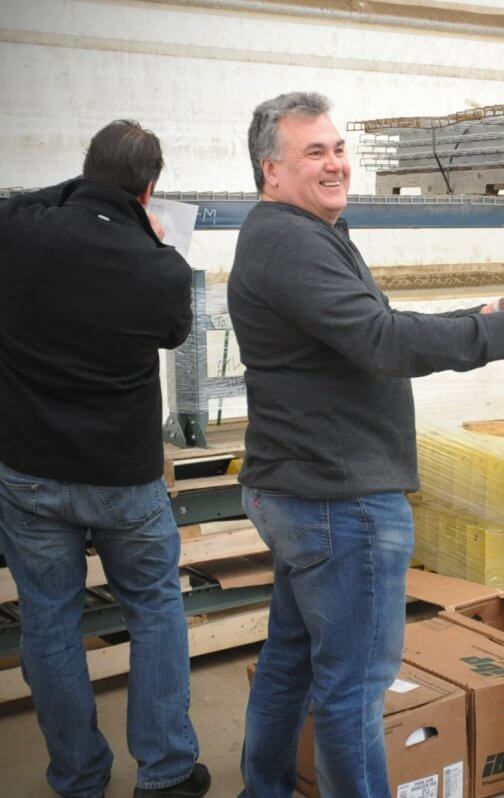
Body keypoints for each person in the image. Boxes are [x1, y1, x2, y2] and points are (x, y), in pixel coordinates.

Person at [227, 91, 504, 798]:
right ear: (271, 170)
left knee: (292, 662)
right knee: (355, 690)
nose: (334, 165)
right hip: (339, 498)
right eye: (313, 153)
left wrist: (483, 317)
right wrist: (501, 332)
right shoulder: (290, 241)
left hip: (307, 491)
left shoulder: (304, 233)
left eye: (336, 149)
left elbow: (372, 322)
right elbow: (383, 341)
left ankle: (261, 789)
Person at [0, 121, 211, 798]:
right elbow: (174, 331)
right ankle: (167, 772)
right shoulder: (160, 265)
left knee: (49, 621)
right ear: (151, 189)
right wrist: (146, 232)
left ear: (84, 170)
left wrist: (80, 195)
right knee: (153, 610)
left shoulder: (19, 232)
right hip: (124, 478)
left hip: (29, 470)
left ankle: (78, 778)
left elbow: (21, 201)